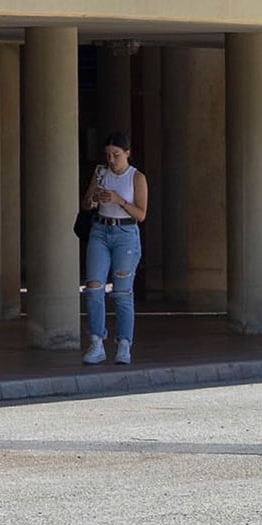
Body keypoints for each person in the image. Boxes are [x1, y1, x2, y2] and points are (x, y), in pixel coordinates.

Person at [81, 131, 150, 365]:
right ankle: (97, 341)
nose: (111, 160)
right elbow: (85, 202)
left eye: (116, 155)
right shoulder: (100, 172)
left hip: (125, 234)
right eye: (108, 155)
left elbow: (141, 214)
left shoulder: (136, 177)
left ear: (127, 154)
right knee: (93, 287)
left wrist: (119, 200)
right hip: (100, 230)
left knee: (121, 292)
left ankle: (124, 344)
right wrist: (95, 199)